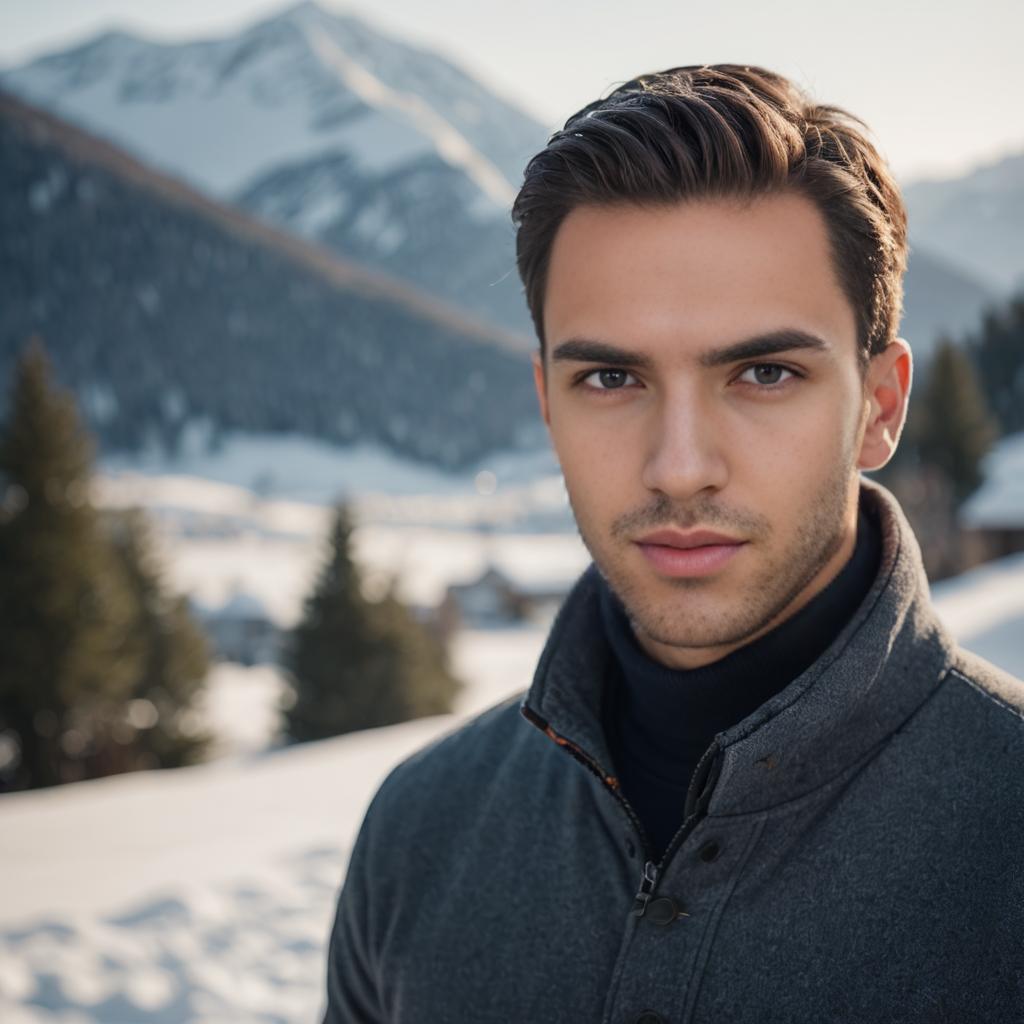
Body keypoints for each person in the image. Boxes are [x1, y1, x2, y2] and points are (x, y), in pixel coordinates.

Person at [321, 65, 1024, 1023]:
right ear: (546, 404)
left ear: (880, 408)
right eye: (612, 379)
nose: (680, 467)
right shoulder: (421, 831)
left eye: (764, 373)